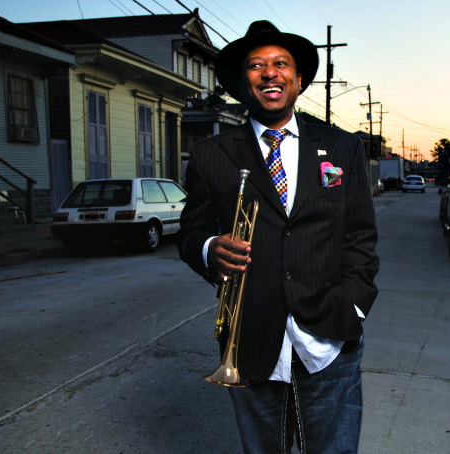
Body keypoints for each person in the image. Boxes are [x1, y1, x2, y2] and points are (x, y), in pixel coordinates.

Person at [177, 20, 380, 454]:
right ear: (241, 84)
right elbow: (190, 232)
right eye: (256, 65)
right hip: (249, 337)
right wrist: (210, 249)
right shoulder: (210, 154)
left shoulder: (342, 147)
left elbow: (361, 236)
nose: (269, 72)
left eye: (281, 63)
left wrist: (354, 305)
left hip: (329, 334)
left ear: (299, 80)